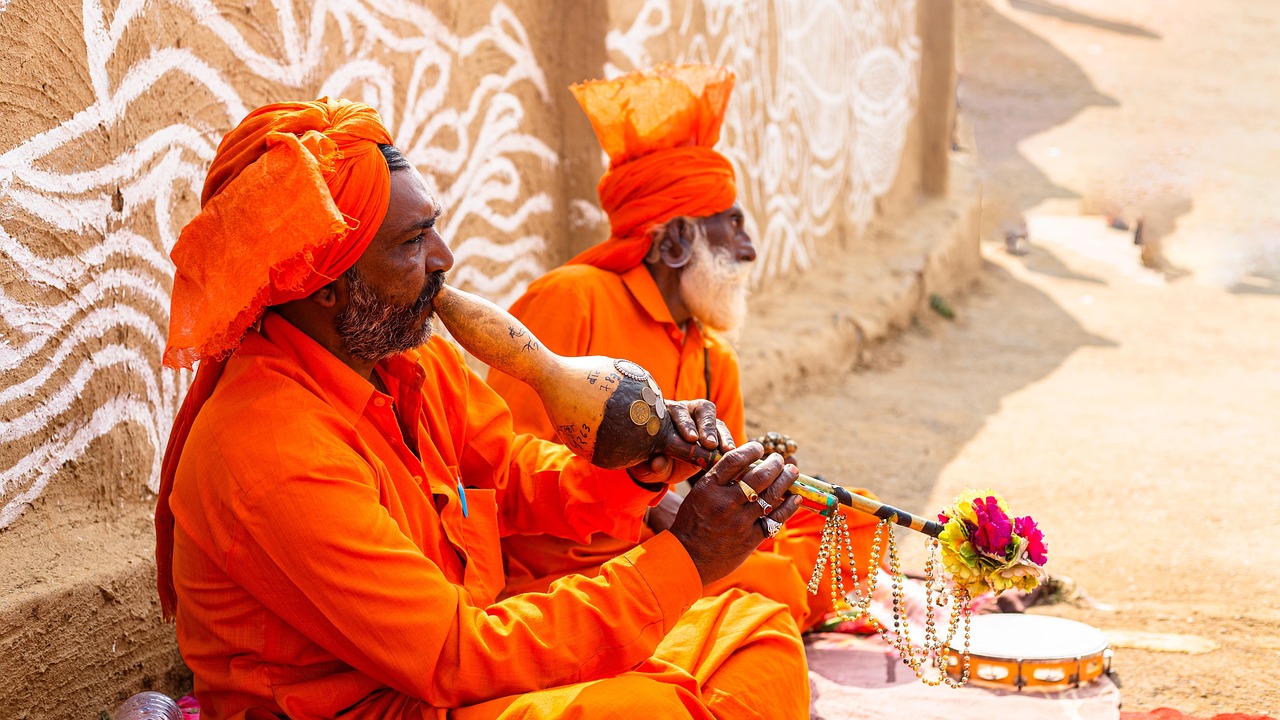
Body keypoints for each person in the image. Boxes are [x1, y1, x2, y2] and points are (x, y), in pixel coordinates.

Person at [154, 98, 811, 720]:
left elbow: (516, 473)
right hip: (391, 697)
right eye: (412, 244)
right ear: (326, 285)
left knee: (756, 631)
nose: (443, 259)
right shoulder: (273, 452)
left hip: (461, 675)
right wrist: (689, 555)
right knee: (645, 708)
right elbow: (453, 654)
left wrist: (645, 464)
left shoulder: (413, 364)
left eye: (431, 231)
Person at [487, 63, 884, 632]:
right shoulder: (573, 299)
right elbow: (494, 458)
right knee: (773, 590)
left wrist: (760, 494)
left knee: (851, 516)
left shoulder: (710, 355)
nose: (748, 251)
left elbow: (723, 486)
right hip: (581, 568)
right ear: (675, 241)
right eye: (733, 226)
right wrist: (646, 505)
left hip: (685, 550)